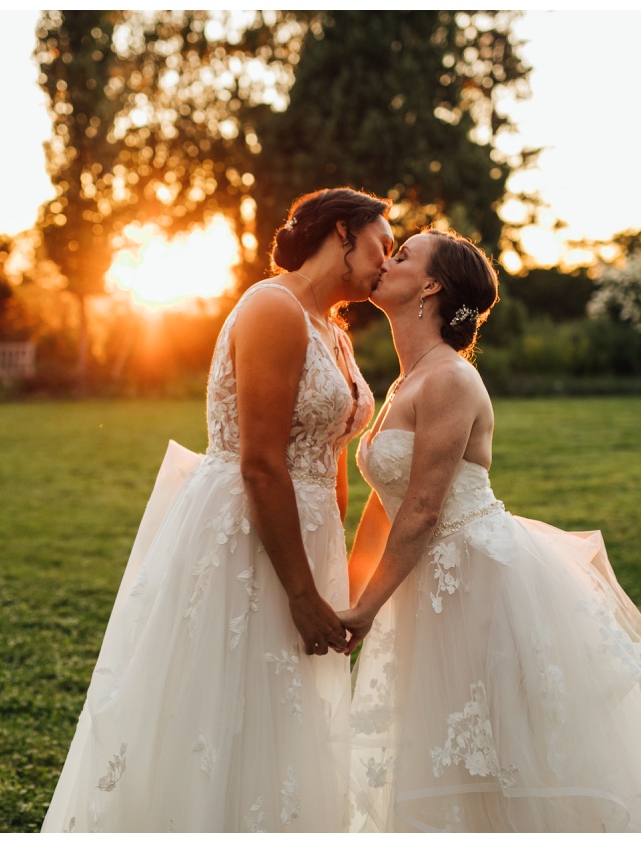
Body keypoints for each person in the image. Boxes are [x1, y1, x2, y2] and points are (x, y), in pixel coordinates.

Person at [340, 228, 641, 832]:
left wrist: (364, 609)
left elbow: (422, 511)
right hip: (426, 582)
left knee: (500, 754)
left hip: (476, 580)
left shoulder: (447, 378)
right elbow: (384, 504)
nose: (387, 262)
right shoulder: (403, 383)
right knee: (441, 746)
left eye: (404, 255)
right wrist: (347, 590)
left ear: (432, 285)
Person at [40, 187, 387, 832]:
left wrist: (332, 561)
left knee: (286, 713)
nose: (386, 262)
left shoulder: (333, 330)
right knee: (225, 707)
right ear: (342, 232)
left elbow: (329, 447)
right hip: (247, 534)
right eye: (380, 245)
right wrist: (301, 590)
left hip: (309, 539)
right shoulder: (272, 308)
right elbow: (260, 460)